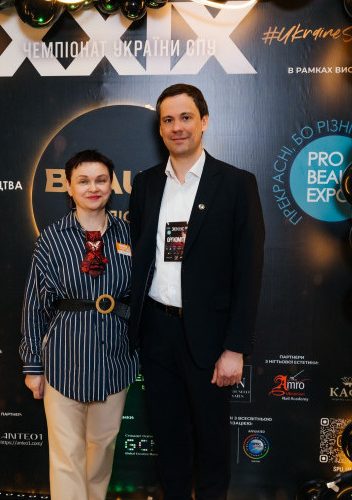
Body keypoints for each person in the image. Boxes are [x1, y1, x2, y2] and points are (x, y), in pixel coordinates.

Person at [129, 84, 265, 500]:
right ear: (160, 129)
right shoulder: (146, 184)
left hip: (210, 338)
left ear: (204, 121)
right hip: (156, 332)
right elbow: (140, 256)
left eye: (186, 117)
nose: (177, 127)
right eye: (168, 120)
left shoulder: (237, 184)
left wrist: (235, 348)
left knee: (211, 440)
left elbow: (249, 272)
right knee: (168, 437)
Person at [20, 149, 139, 500]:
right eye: (83, 181)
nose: (93, 188)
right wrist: (33, 366)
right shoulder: (51, 239)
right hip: (62, 360)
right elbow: (34, 305)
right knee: (66, 456)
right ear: (69, 188)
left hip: (114, 361)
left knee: (101, 451)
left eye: (101, 180)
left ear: (111, 185)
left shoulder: (129, 235)